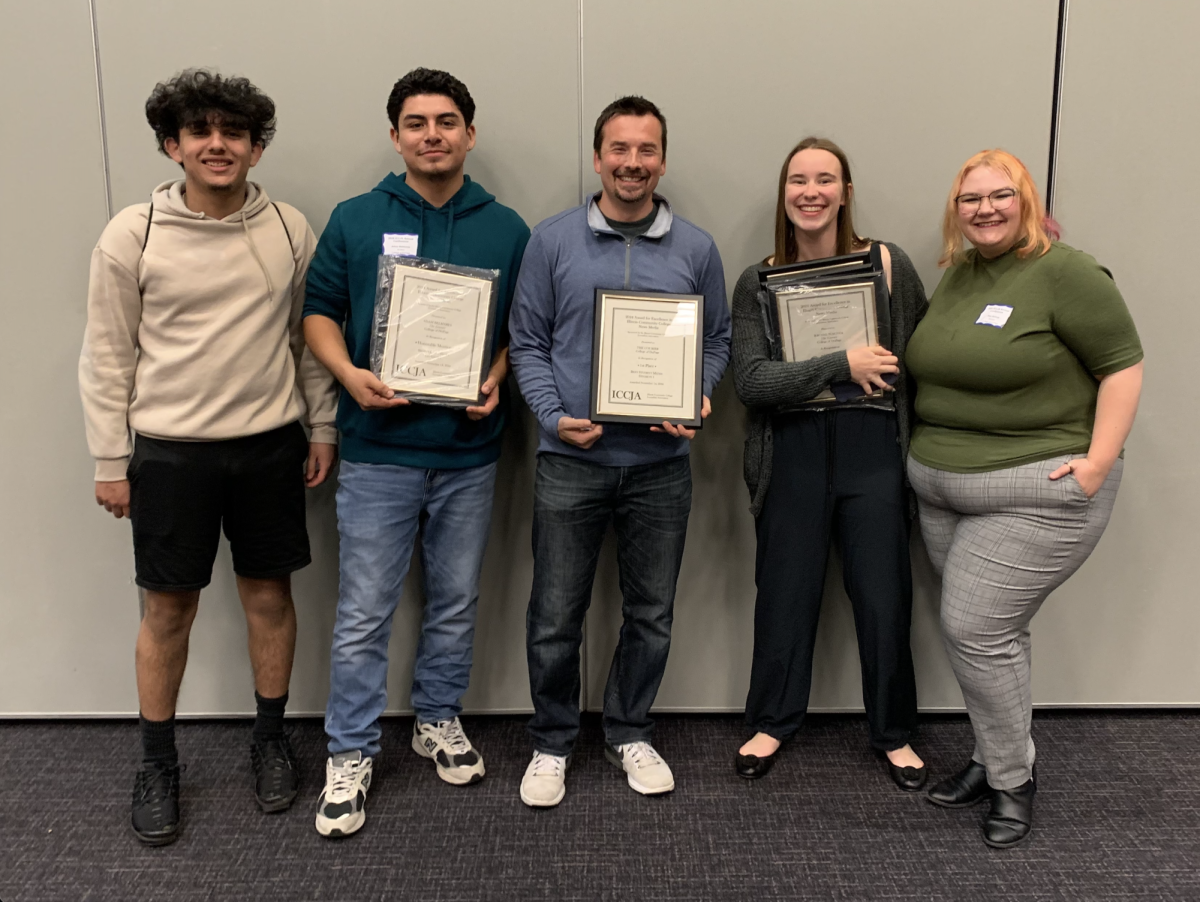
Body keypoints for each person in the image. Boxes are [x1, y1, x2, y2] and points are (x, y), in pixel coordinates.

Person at [79, 69, 338, 845]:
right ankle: (158, 761)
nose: (217, 145)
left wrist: (321, 429)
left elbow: (309, 343)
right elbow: (105, 354)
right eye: (201, 132)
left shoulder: (290, 228)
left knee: (269, 599)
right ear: (173, 144)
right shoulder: (134, 233)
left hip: (269, 448)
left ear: (255, 147)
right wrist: (108, 458)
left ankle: (269, 739)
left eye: (234, 133)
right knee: (167, 611)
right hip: (168, 456)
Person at [303, 68, 530, 838]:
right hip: (377, 450)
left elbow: (517, 334)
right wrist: (348, 376)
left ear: (470, 132)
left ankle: (437, 718)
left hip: (468, 452)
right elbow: (319, 314)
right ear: (395, 135)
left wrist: (496, 379)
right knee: (364, 610)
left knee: (456, 601)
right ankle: (351, 751)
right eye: (415, 123)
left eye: (445, 121)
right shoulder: (356, 218)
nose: (431, 135)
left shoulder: (508, 229)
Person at [906, 149, 1144, 848]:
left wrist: (1097, 463)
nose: (985, 209)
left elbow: (1122, 367)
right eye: (970, 198)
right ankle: (989, 756)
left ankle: (1012, 780)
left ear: (1028, 200)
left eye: (1000, 195)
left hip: (1034, 491)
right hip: (943, 488)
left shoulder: (1067, 272)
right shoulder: (962, 275)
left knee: (976, 630)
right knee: (991, 638)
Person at [508, 95, 731, 808]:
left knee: (652, 613)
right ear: (599, 155)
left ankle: (630, 728)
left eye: (647, 150)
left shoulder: (696, 248)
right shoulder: (551, 240)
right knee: (553, 617)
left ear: (662, 159)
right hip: (570, 463)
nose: (633, 163)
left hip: (661, 469)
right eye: (619, 149)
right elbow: (529, 342)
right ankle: (551, 741)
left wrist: (695, 394)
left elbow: (717, 339)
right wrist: (552, 412)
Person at [729, 137, 928, 789]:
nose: (810, 192)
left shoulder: (890, 266)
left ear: (846, 191)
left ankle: (895, 732)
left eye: (825, 179)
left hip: (873, 450)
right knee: (784, 596)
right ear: (784, 193)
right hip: (794, 452)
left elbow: (916, 367)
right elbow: (755, 383)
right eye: (798, 180)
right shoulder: (756, 280)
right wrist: (839, 365)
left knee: (882, 597)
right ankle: (771, 722)